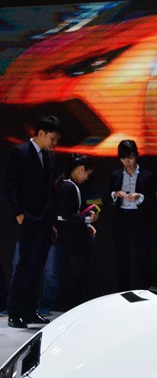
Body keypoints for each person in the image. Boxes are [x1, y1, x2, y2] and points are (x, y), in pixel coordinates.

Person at [2, 115, 62, 328]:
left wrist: (52, 221)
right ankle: (14, 311)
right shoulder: (20, 152)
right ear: (41, 133)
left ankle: (30, 310)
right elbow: (9, 185)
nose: (55, 144)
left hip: (45, 219)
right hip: (27, 217)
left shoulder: (49, 157)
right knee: (24, 265)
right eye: (52, 139)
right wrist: (19, 213)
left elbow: (50, 190)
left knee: (38, 266)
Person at [103, 139, 156, 291]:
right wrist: (115, 194)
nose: (128, 162)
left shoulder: (147, 176)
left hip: (140, 219)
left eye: (131, 158)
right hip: (121, 219)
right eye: (124, 158)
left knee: (144, 258)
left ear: (136, 156)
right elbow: (105, 199)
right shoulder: (115, 175)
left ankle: (147, 291)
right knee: (121, 259)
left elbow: (153, 201)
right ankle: (122, 292)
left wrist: (140, 197)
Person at [55, 153, 98, 311]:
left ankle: (74, 308)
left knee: (78, 277)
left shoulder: (70, 186)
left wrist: (86, 222)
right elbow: (66, 215)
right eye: (87, 174)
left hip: (75, 239)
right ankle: (73, 309)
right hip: (74, 241)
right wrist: (87, 220)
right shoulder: (69, 187)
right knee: (77, 277)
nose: (87, 178)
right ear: (80, 169)